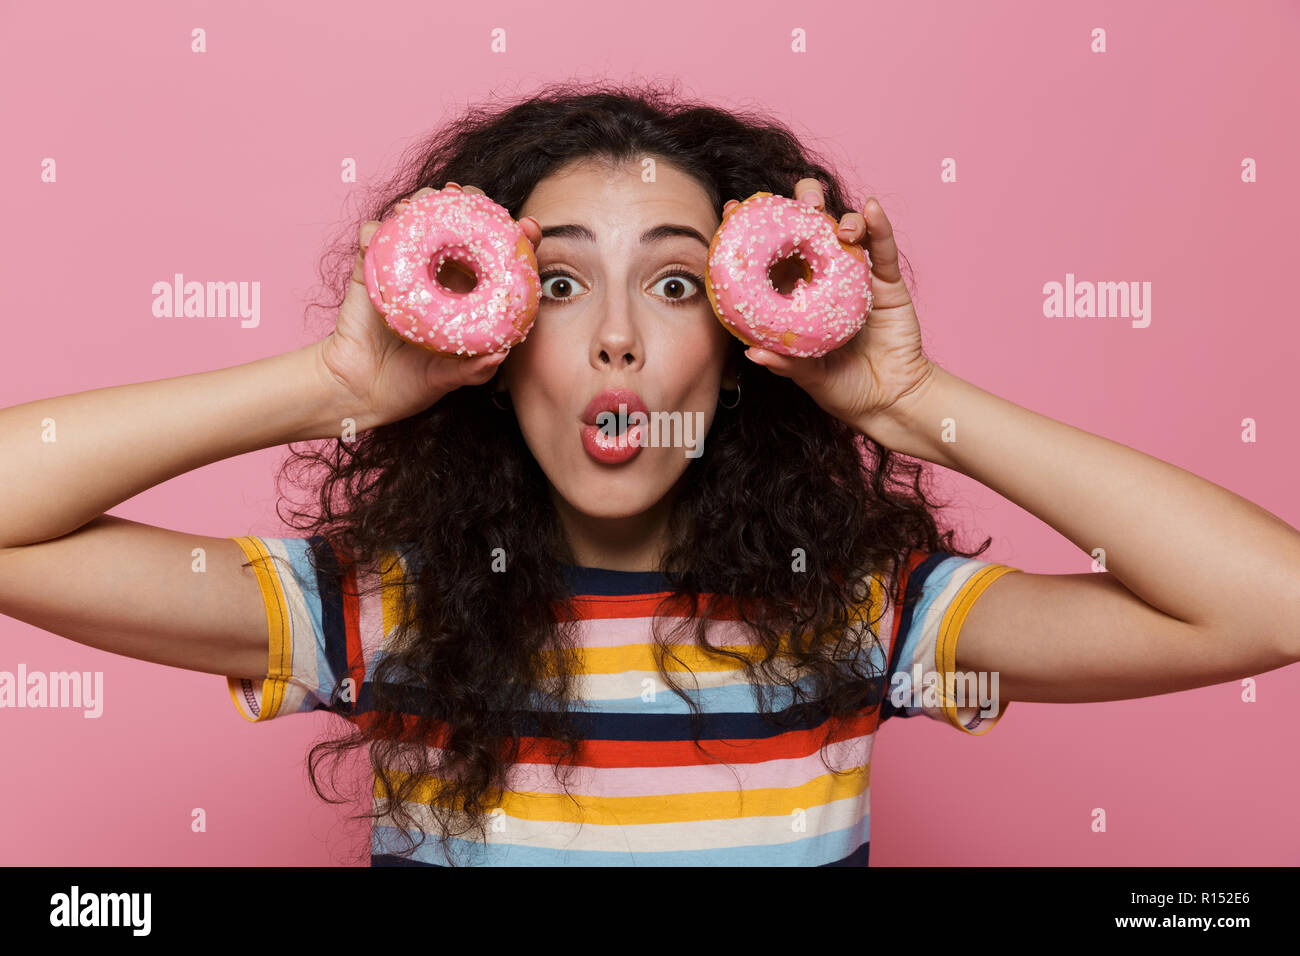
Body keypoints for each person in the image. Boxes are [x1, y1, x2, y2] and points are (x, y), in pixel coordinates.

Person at [3, 80, 1297, 867]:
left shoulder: (863, 616)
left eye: (674, 282)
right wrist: (333, 388)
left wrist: (915, 404)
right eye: (558, 284)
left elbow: (1268, 604)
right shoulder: (375, 614)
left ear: (744, 347)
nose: (616, 332)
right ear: (488, 339)